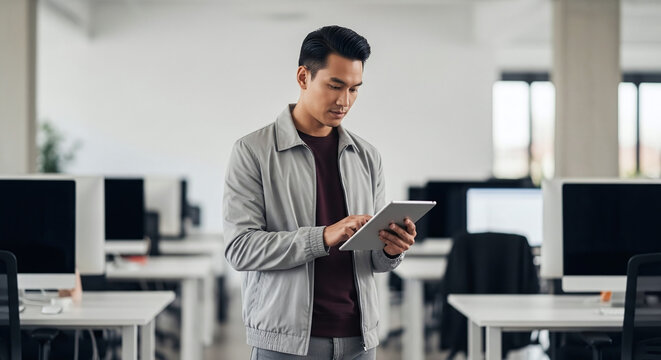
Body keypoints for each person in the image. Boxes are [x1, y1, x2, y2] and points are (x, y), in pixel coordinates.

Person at [223, 25, 417, 359]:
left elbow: (375, 262)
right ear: (303, 77)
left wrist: (390, 248)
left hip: (359, 341)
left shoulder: (367, 157)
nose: (345, 101)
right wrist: (323, 236)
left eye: (355, 89)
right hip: (285, 343)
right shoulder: (252, 151)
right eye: (335, 85)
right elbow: (240, 249)